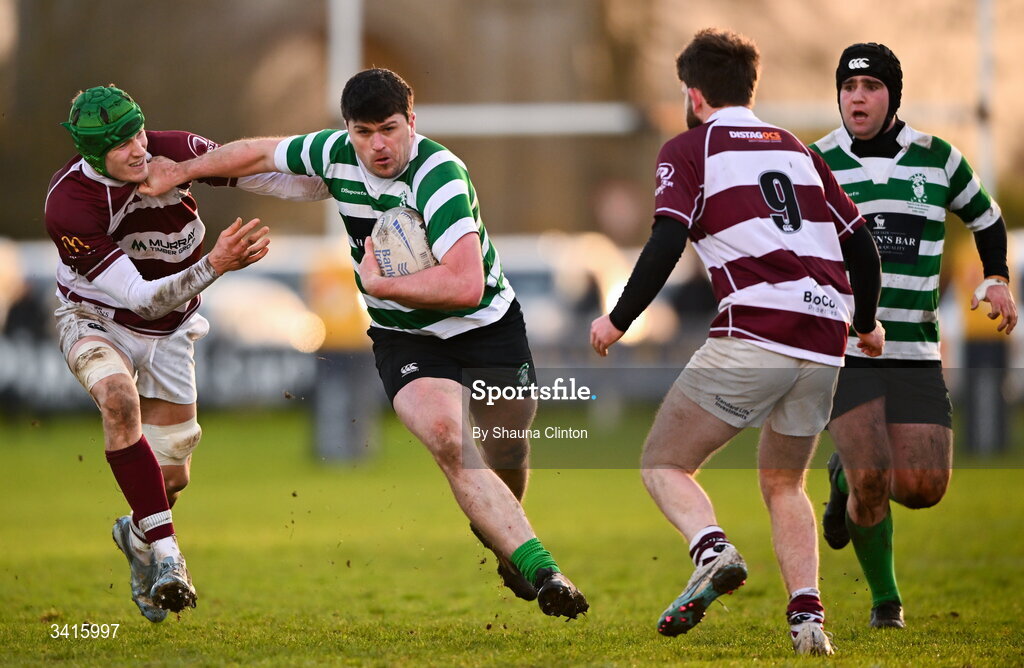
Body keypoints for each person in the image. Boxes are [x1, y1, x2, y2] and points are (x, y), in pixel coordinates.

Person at [140, 68, 589, 620]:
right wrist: (181, 171)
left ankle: (505, 539)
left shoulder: (439, 174)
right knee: (450, 439)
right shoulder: (335, 153)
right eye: (363, 132)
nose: (377, 145)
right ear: (348, 130)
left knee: (508, 450)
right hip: (406, 337)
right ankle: (546, 572)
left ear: (411, 123)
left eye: (389, 129)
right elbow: (259, 154)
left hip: (487, 327)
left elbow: (465, 284)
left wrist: (381, 285)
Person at [590, 28, 884, 655]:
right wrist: (865, 323)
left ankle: (712, 550)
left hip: (756, 329)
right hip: (824, 340)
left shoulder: (691, 147)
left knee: (662, 463)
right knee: (784, 484)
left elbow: (667, 240)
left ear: (693, 95)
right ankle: (808, 622)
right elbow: (860, 244)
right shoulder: (798, 150)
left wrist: (617, 319)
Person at [45, 84, 329, 622]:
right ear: (90, 152)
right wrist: (215, 264)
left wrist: (339, 179)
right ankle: (170, 557)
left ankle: (138, 536)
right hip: (95, 317)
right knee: (117, 400)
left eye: (136, 132)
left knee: (171, 480)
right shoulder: (69, 207)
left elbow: (262, 172)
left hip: (172, 331)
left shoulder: (170, 149)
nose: (137, 149)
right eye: (119, 144)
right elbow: (141, 301)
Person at [811, 43, 1017, 629]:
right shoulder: (816, 160)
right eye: (849, 87)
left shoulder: (938, 159)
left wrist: (997, 278)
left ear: (892, 95)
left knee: (925, 486)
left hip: (917, 351)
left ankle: (841, 474)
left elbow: (986, 216)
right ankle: (886, 604)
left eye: (871, 86)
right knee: (874, 476)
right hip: (847, 350)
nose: (857, 96)